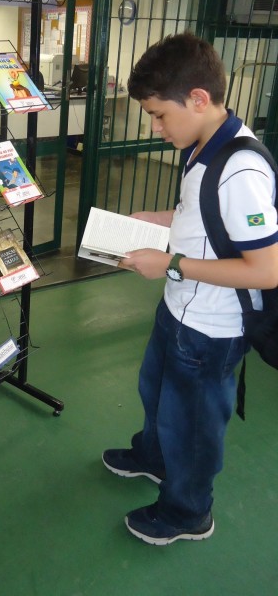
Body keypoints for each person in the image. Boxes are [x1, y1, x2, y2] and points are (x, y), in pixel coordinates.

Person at [103, 32, 278, 545]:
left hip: (212, 329)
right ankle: (154, 457)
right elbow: (203, 217)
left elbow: (266, 270)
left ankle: (187, 512)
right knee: (156, 392)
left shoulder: (240, 169)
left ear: (198, 99)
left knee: (194, 426)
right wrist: (157, 220)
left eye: (159, 115)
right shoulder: (203, 144)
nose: (155, 128)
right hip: (179, 310)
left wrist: (171, 264)